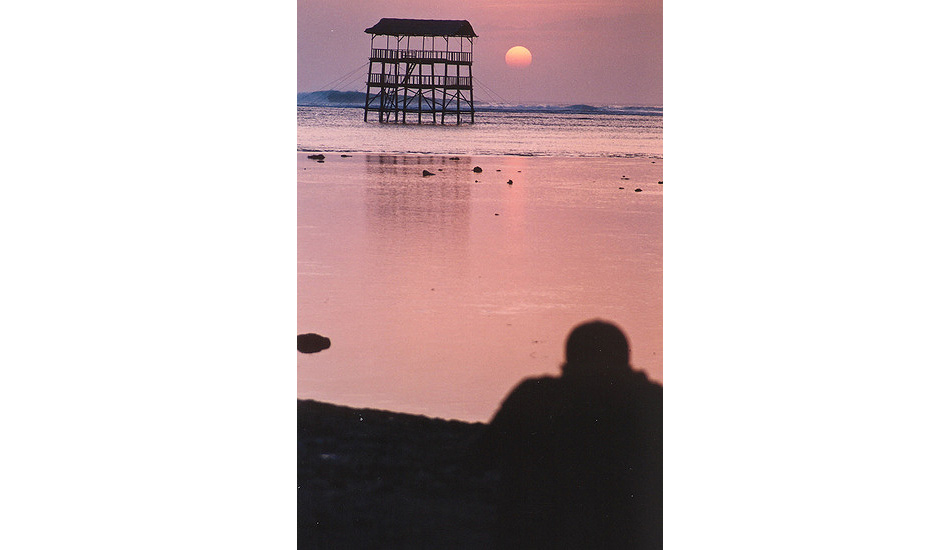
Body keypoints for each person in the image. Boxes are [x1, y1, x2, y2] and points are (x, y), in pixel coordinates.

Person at [476, 320, 662, 549]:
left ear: (570, 361)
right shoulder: (653, 403)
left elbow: (480, 459)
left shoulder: (533, 397)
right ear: (624, 362)